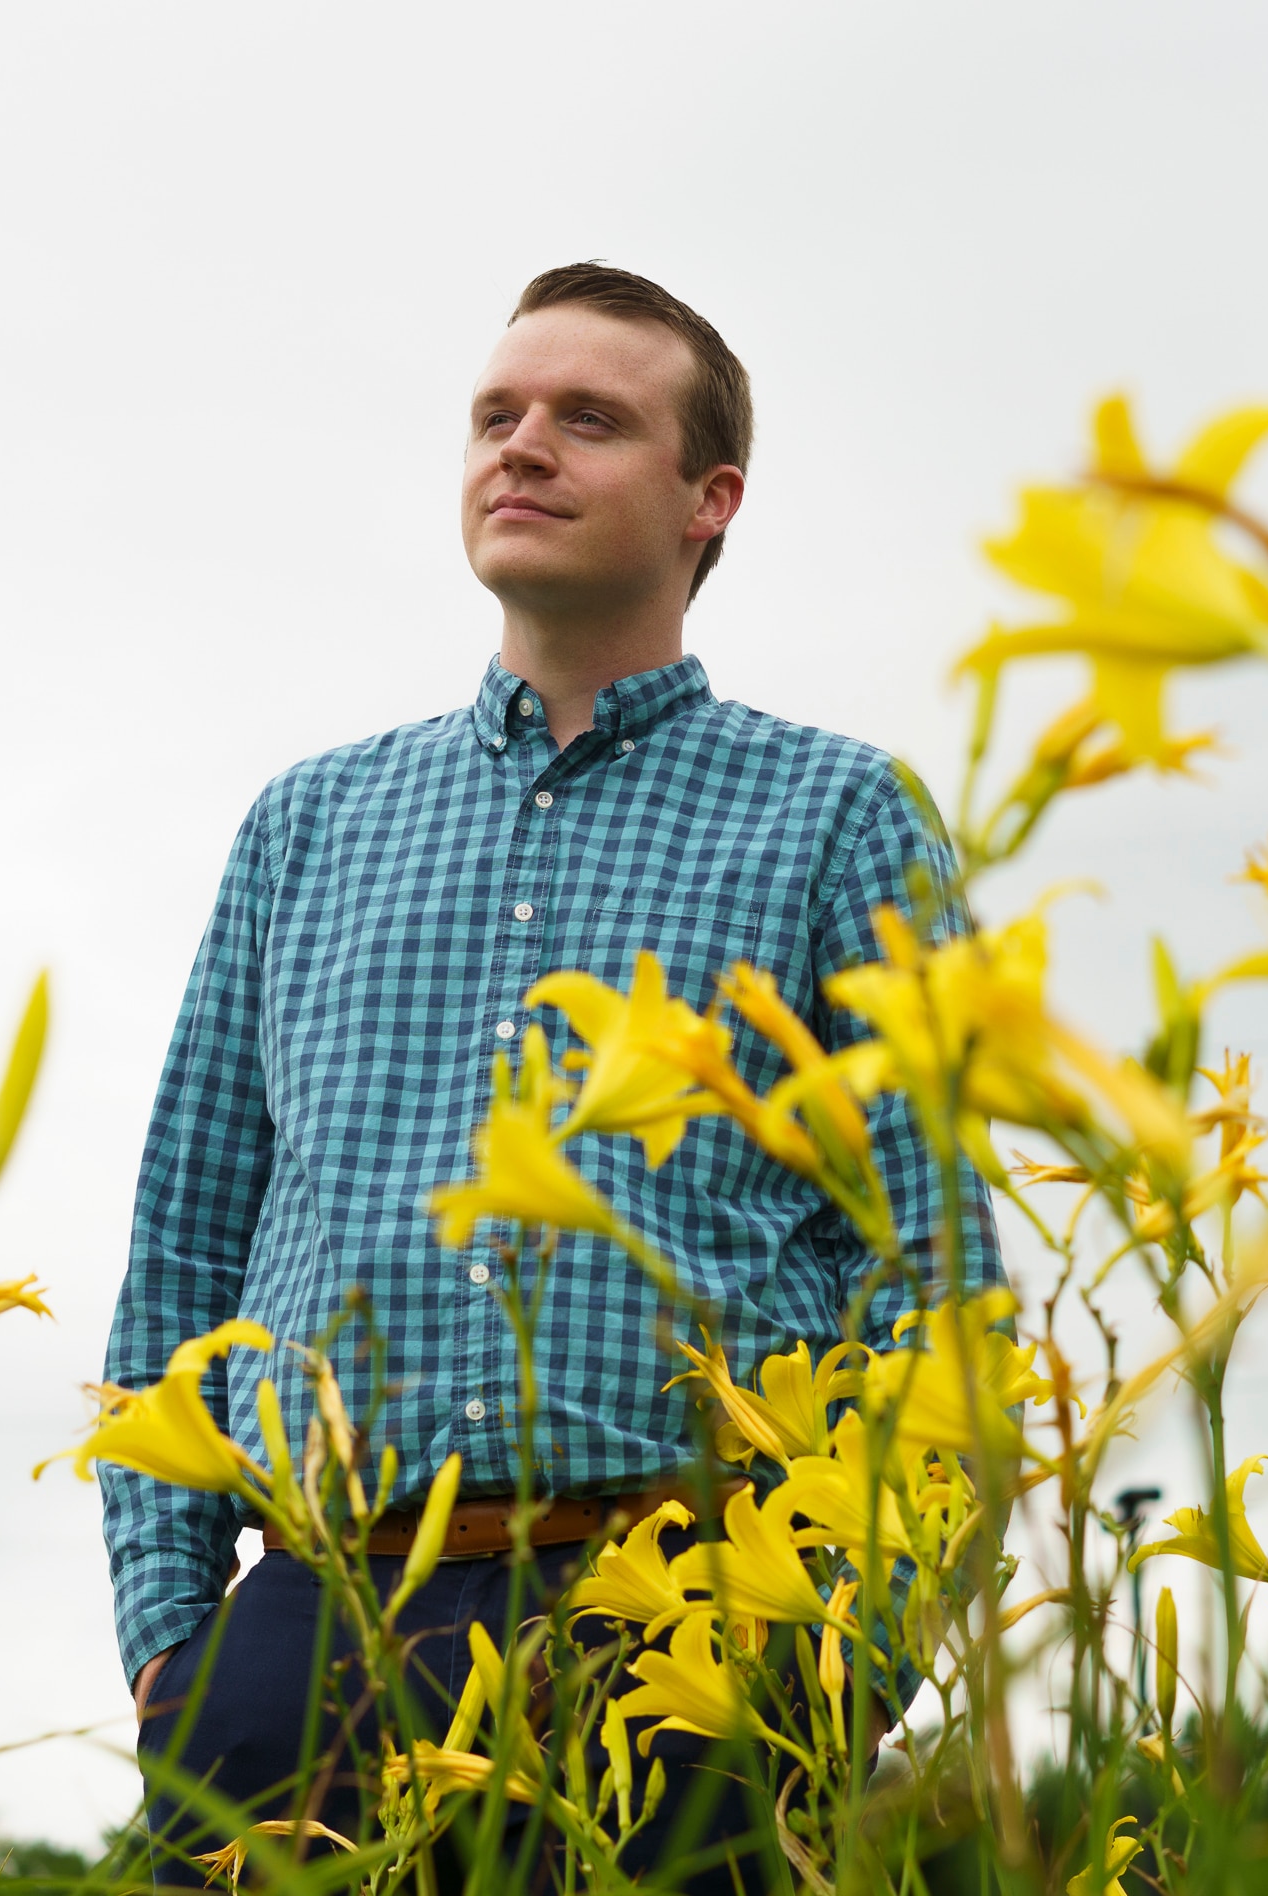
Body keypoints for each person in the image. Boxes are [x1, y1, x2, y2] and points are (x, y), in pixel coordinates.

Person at [101, 261, 995, 1885]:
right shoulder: (306, 825)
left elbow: (930, 1271)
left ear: (709, 500)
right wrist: (173, 1647)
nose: (523, 447)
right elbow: (182, 1248)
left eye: (591, 420)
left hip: (687, 1621)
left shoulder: (843, 815)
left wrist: (840, 1663)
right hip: (309, 1633)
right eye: (496, 416)